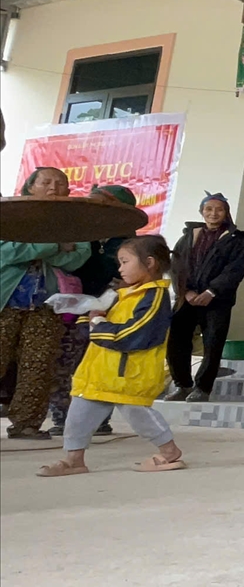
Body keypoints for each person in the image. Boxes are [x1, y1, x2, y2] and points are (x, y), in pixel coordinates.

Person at [37, 235, 186, 477]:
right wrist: (92, 316)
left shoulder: (154, 297)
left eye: (125, 262)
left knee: (139, 415)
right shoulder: (122, 293)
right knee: (79, 414)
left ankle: (169, 452)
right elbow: (98, 324)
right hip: (99, 371)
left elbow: (135, 334)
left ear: (149, 263)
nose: (120, 268)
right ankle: (74, 459)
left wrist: (98, 323)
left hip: (128, 374)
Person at [0, 167, 90, 439]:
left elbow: (77, 257)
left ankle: (26, 423)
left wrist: (34, 249)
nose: (54, 187)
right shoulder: (10, 213)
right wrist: (54, 246)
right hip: (5, 301)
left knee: (38, 364)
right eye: (46, 181)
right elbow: (6, 251)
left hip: (47, 304)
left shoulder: (74, 220)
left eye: (61, 183)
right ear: (30, 187)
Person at [47, 184, 137, 437]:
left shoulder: (133, 243)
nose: (89, 209)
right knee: (64, 361)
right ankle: (62, 418)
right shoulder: (77, 234)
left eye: (97, 203)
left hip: (112, 312)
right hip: (72, 309)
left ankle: (98, 421)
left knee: (101, 365)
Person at [164, 193, 244, 402]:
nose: (213, 214)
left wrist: (212, 291)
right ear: (202, 212)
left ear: (226, 213)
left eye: (219, 209)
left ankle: (203, 388)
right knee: (176, 342)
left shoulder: (236, 239)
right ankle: (183, 385)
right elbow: (176, 266)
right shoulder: (188, 237)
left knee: (212, 344)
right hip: (187, 297)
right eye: (209, 209)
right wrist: (185, 291)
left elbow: (235, 270)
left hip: (217, 301)